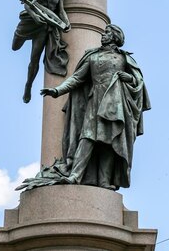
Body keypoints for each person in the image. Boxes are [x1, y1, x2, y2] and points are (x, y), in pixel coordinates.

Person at [41, 24, 150, 190]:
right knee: (87, 138)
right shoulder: (92, 56)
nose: (103, 34)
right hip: (94, 101)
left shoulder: (124, 58)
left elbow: (139, 83)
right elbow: (77, 78)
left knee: (109, 142)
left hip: (115, 103)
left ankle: (104, 181)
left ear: (115, 37)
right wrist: (57, 90)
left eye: (107, 32)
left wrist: (127, 77)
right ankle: (75, 175)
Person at [14, 0, 70, 103]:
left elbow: (61, 10)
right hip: (30, 21)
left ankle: (28, 85)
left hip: (44, 26)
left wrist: (66, 22)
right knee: (15, 46)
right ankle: (18, 35)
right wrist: (35, 16)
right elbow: (28, 3)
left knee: (35, 58)